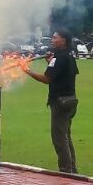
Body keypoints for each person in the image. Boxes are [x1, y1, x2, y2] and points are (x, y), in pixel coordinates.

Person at [25, 29, 80, 174]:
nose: (52, 40)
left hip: (60, 103)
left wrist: (27, 71)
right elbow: (61, 73)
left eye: (55, 38)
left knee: (59, 138)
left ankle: (65, 169)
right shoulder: (68, 56)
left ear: (64, 40)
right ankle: (72, 168)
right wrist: (50, 63)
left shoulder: (58, 58)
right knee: (66, 137)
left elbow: (46, 79)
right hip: (71, 101)